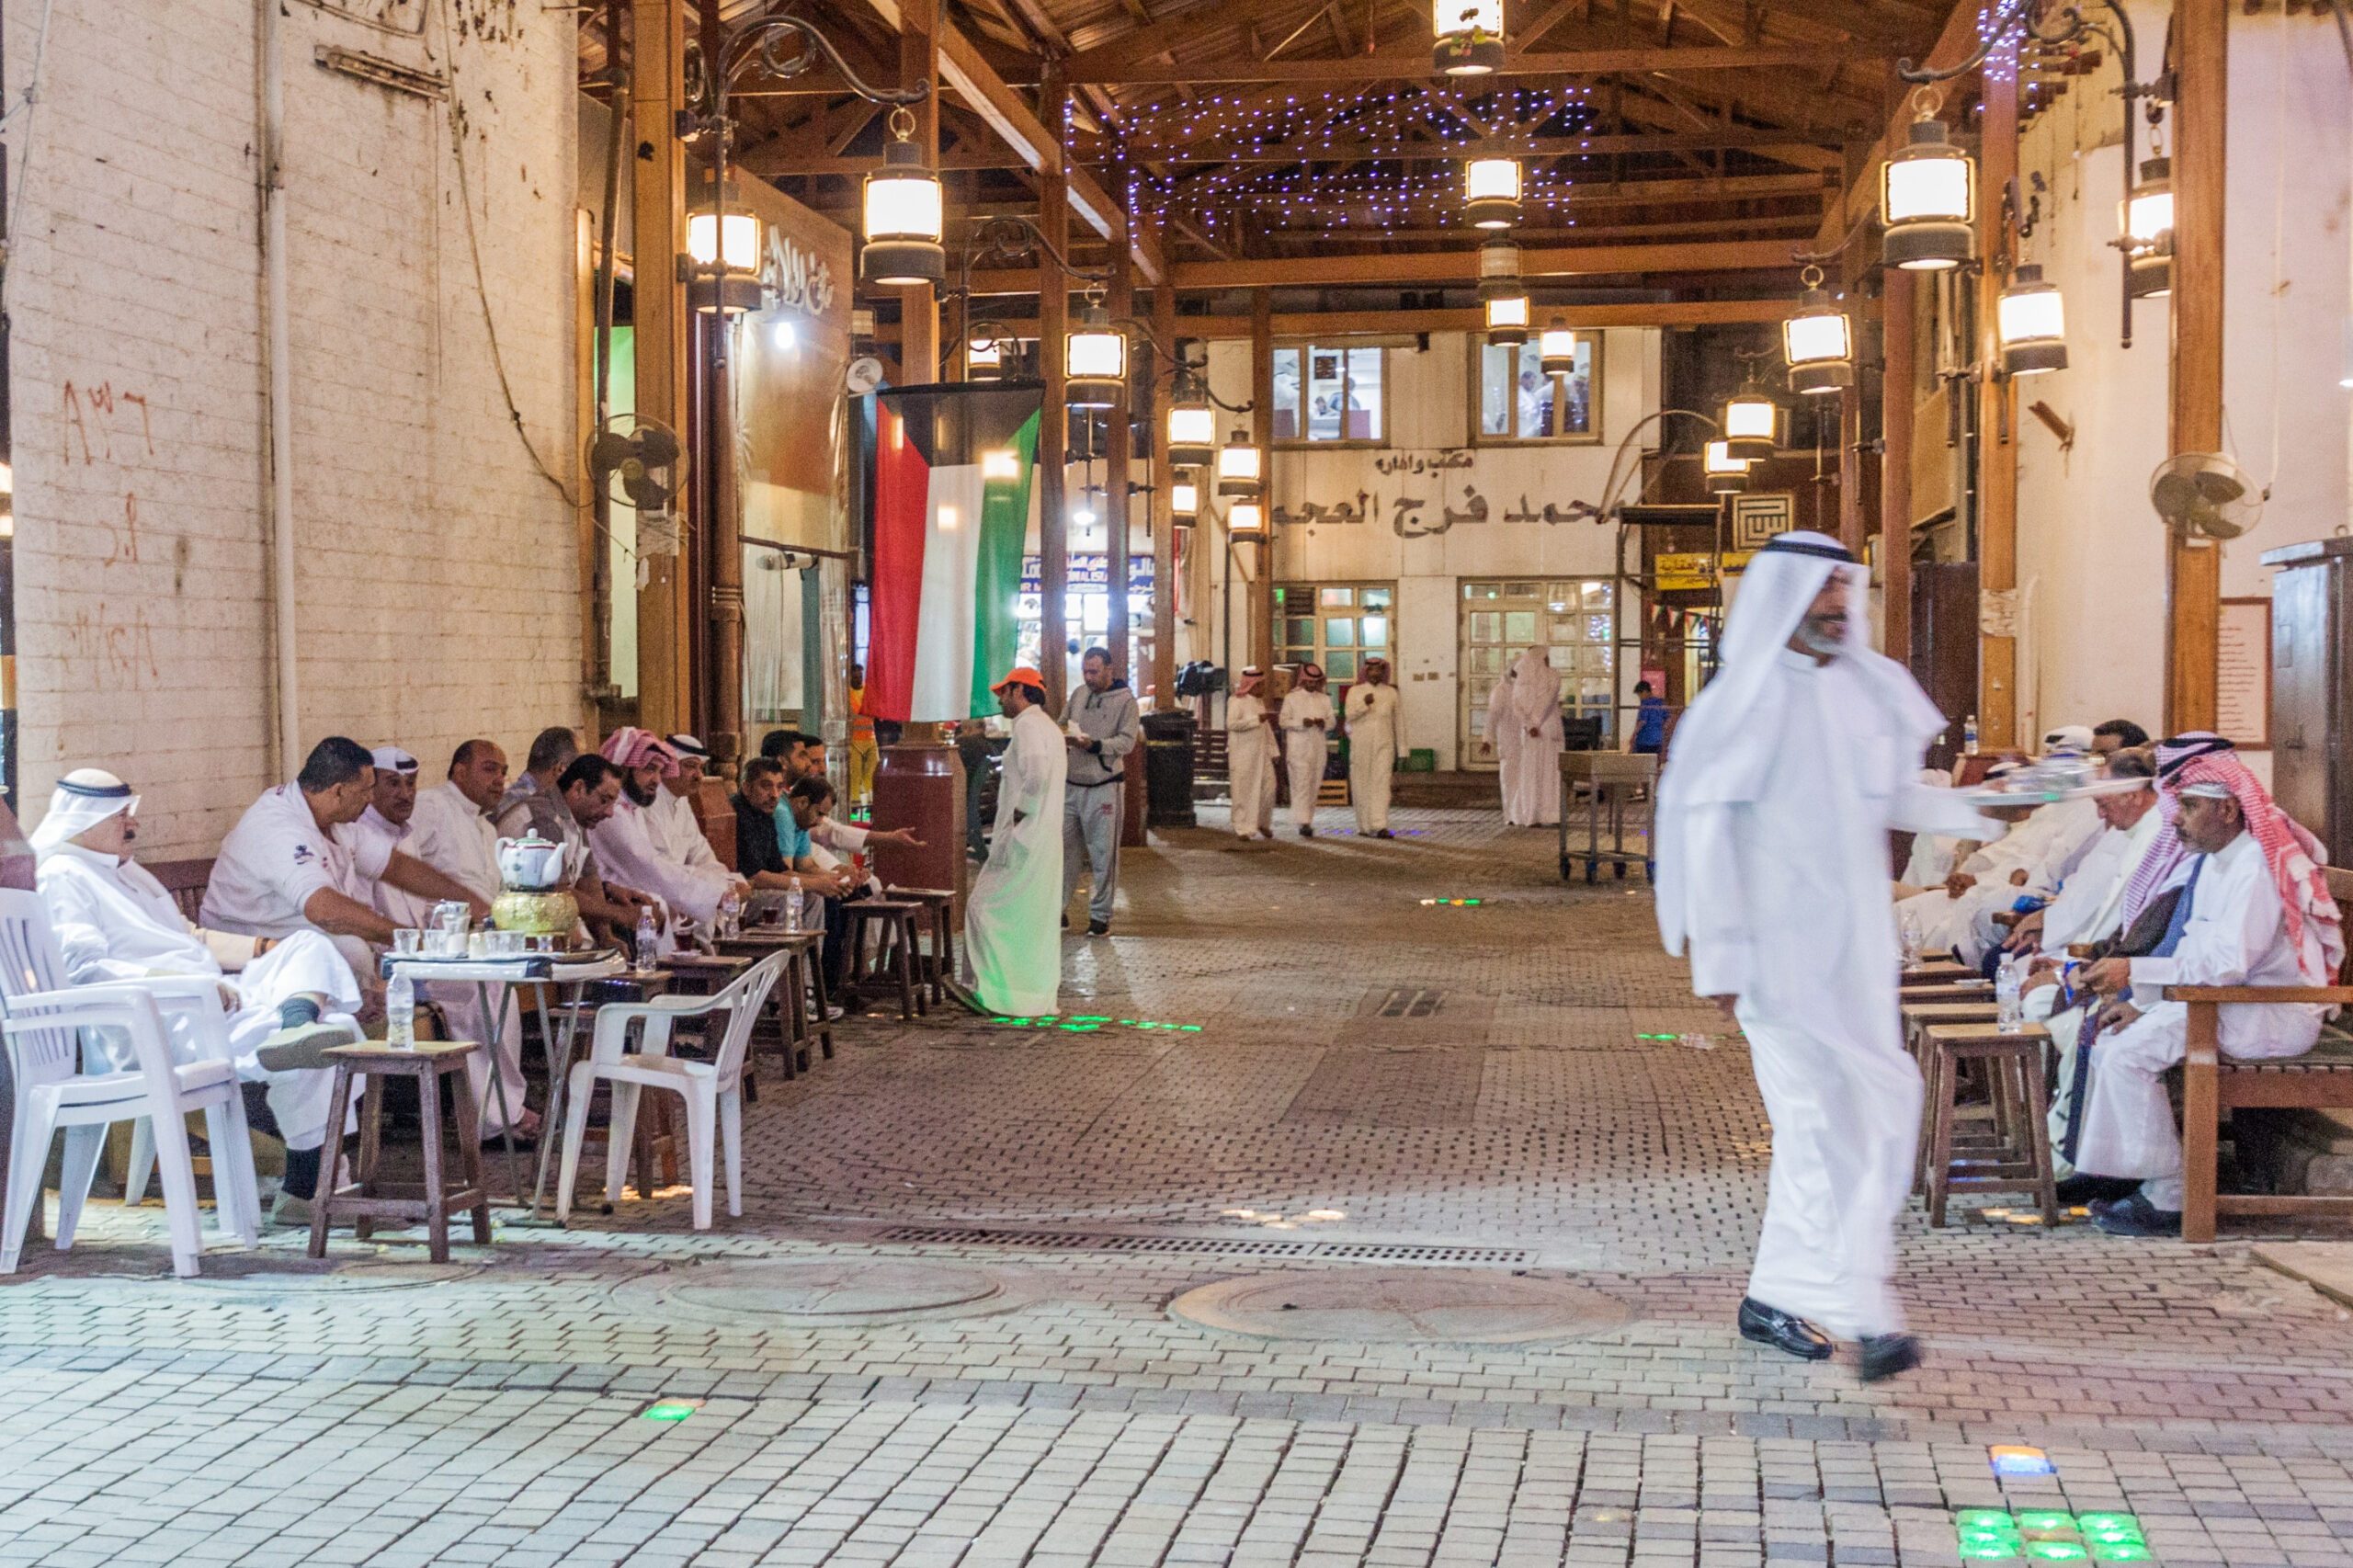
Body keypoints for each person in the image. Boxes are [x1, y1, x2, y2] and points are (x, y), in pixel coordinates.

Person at [1655, 531, 1995, 1382]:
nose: (1841, 607)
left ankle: (1786, 1295)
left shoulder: (1865, 692)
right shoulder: (1744, 704)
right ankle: (1863, 1309)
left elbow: (1893, 797)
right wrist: (1721, 963)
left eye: (1848, 590)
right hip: (1776, 956)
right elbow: (1708, 836)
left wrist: (1997, 806)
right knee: (1821, 1122)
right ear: (1783, 598)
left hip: (1853, 950)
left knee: (1872, 1111)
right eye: (1824, 592)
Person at [32, 770, 366, 1226]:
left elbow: (189, 939)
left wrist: (265, 950)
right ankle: (307, 1190)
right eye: (120, 817)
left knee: (309, 946)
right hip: (158, 1020)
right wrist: (187, 983)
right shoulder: (63, 875)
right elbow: (85, 971)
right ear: (82, 821)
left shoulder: (125, 872)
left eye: (131, 813)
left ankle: (296, 1025)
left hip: (209, 999)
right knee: (334, 1036)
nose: (132, 824)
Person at [2072, 736, 2343, 1237]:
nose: (2176, 819)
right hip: (2226, 1004)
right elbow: (2196, 956)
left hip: (2269, 1013)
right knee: (2115, 1042)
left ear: (2228, 810)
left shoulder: (2255, 868)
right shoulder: (2218, 861)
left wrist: (2139, 977)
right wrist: (2145, 1002)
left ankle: (2172, 1197)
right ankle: (2137, 1181)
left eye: (2190, 807)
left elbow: (2226, 965)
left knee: (2130, 1056)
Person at [203, 737, 486, 975]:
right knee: (352, 951)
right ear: (338, 791)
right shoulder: (280, 828)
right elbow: (324, 911)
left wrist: (476, 904)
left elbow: (396, 866)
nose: (370, 799)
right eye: (365, 791)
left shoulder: (333, 818)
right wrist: (410, 939)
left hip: (303, 949)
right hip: (249, 957)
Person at [396, 738, 533, 1142]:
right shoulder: (433, 806)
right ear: (458, 771)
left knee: (500, 983)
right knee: (480, 991)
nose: (500, 779)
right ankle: (492, 1118)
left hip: (477, 941)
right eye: (490, 768)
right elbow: (401, 868)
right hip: (432, 944)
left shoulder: (486, 827)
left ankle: (503, 1108)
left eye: (504, 771)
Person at [496, 730, 661, 945]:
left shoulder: (578, 818)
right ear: (579, 789)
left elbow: (588, 880)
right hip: (520, 930)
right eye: (605, 800)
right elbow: (556, 893)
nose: (610, 812)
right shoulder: (544, 817)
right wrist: (620, 915)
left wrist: (606, 937)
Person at [965, 667, 1066, 1016]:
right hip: (1040, 840)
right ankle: (1025, 994)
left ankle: (995, 990)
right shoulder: (1047, 727)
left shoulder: (1028, 726)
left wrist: (1021, 814)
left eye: (1003, 692)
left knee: (983, 907)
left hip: (1025, 840)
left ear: (1019, 690)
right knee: (1029, 917)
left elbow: (1036, 773)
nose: (998, 699)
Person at [588, 727, 743, 932]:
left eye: (659, 771)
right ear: (624, 770)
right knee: (659, 906)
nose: (657, 780)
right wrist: (714, 894)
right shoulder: (613, 812)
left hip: (663, 890)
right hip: (618, 900)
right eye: (649, 769)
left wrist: (723, 885)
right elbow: (647, 865)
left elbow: (700, 854)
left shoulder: (634, 807)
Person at [1062, 646, 1141, 936]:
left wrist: (1096, 746)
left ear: (1109, 669)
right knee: (1065, 851)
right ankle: (1058, 909)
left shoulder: (1126, 702)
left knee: (1103, 852)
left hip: (1103, 785)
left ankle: (1100, 915)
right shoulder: (1079, 694)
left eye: (1094, 671)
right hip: (1071, 784)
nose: (1089, 676)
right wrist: (1062, 735)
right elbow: (1062, 722)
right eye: (1086, 670)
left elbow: (1127, 742)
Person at [1501, 648, 1563, 827]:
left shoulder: (1524, 680)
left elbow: (1518, 706)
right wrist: (1535, 724)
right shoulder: (1552, 676)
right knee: (1546, 772)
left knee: (1533, 771)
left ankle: (1532, 813)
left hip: (1534, 732)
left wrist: (1530, 725)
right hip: (1545, 728)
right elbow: (1548, 700)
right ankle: (1546, 814)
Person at [651, 733, 727, 877]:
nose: (699, 776)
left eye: (701, 768)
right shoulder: (649, 801)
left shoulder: (682, 801)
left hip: (685, 885)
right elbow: (662, 867)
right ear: (668, 766)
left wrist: (726, 881)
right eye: (691, 766)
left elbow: (701, 853)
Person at [1344, 656, 1402, 838]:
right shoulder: (1355, 691)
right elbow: (1349, 716)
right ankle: (1364, 825)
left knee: (1382, 783)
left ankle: (1380, 824)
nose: (1375, 674)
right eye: (1372, 671)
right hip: (1361, 744)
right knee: (1362, 783)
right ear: (1365, 672)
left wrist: (1403, 748)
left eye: (1379, 671)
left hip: (1385, 744)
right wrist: (1364, 705)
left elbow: (1399, 721)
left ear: (1383, 673)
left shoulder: (1391, 693)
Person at [1279, 663, 1335, 838]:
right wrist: (1300, 724)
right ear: (1303, 680)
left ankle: (1308, 820)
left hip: (1318, 749)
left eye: (1315, 682)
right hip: (1298, 749)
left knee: (1313, 785)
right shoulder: (1291, 698)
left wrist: (1322, 723)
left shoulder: (1324, 699)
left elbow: (1332, 722)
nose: (1312, 685)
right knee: (1301, 784)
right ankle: (1303, 822)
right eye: (1309, 681)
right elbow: (1283, 721)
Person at [1225, 668, 1276, 842]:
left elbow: (1266, 729)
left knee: (1269, 788)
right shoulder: (1236, 701)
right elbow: (1232, 724)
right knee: (1243, 791)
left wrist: (1273, 750)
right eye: (1261, 685)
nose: (1264, 688)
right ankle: (1242, 829)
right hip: (1243, 754)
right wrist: (1256, 721)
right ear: (1253, 685)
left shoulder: (1258, 702)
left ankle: (1262, 822)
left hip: (1262, 754)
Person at [847, 665, 880, 809]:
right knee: (855, 774)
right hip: (855, 741)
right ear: (850, 678)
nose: (858, 679)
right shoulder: (847, 694)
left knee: (872, 771)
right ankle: (855, 804)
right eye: (855, 677)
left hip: (870, 739)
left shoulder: (868, 691)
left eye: (860, 677)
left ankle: (867, 801)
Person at [1629, 679, 1669, 756]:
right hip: (1658, 740)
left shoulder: (1645, 703)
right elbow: (1667, 719)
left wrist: (1633, 735)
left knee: (1642, 764)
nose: (1640, 697)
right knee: (1654, 764)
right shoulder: (1661, 702)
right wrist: (1661, 731)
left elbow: (1642, 721)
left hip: (1644, 740)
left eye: (1639, 695)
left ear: (1644, 691)